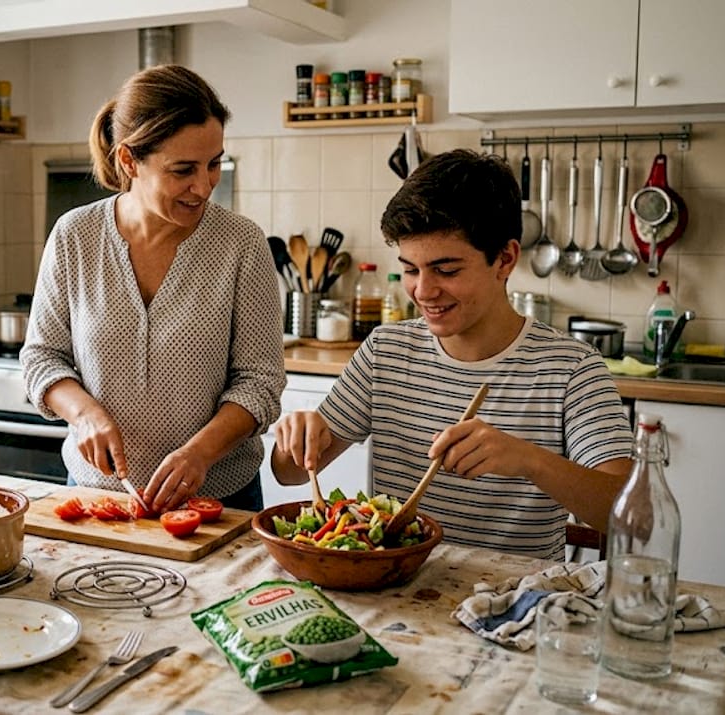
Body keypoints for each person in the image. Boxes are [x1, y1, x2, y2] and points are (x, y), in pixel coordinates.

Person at [271, 149, 633, 560]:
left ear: (505, 259)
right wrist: (297, 438)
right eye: (411, 269)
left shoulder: (571, 369)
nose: (424, 291)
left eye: (446, 270)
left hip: (517, 605)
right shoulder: (385, 352)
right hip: (398, 591)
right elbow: (289, 473)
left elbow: (630, 516)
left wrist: (529, 460)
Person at [20, 65, 285, 513]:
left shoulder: (241, 243)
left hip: (220, 500)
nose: (203, 187)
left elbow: (261, 383)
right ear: (129, 161)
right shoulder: (75, 236)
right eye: (183, 170)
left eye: (215, 163)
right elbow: (41, 358)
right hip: (97, 497)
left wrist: (199, 453)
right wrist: (83, 414)